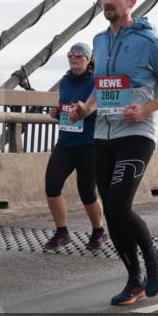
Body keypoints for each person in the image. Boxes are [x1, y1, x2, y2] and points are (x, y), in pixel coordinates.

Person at [70, 0, 158, 306]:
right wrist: (86, 108)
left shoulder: (149, 42)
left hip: (137, 133)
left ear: (131, 1)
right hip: (103, 134)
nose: (107, 2)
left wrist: (147, 108)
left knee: (120, 205)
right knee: (111, 212)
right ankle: (134, 278)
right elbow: (100, 87)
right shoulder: (99, 41)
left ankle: (153, 258)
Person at [44, 42, 107, 252]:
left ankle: (98, 231)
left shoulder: (96, 82)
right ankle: (62, 232)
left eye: (79, 55)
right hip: (65, 143)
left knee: (87, 191)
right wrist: (57, 113)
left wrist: (86, 111)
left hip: (89, 144)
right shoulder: (65, 81)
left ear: (88, 59)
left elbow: (104, 110)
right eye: (70, 55)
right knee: (52, 187)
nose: (73, 58)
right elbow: (66, 108)